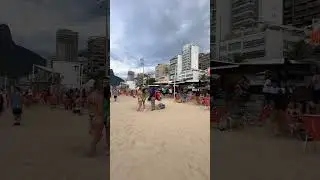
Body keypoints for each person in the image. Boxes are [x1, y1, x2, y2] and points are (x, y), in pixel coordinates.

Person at [87, 80, 104, 156]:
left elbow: (87, 106)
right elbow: (100, 110)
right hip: (99, 117)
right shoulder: (100, 96)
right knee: (99, 135)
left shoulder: (91, 95)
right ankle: (92, 150)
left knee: (96, 134)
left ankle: (93, 149)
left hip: (92, 116)